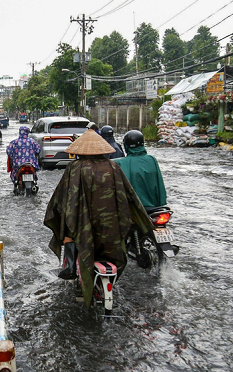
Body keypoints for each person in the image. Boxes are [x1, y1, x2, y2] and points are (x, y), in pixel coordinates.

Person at [43, 130, 152, 307]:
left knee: (68, 229)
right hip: (110, 225)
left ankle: (70, 267)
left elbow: (63, 197)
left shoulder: (74, 168)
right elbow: (128, 196)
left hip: (83, 223)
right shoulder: (113, 166)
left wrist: (58, 213)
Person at [115, 130, 166, 209]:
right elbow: (159, 183)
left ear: (126, 146)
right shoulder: (152, 159)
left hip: (132, 208)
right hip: (154, 207)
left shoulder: (118, 162)